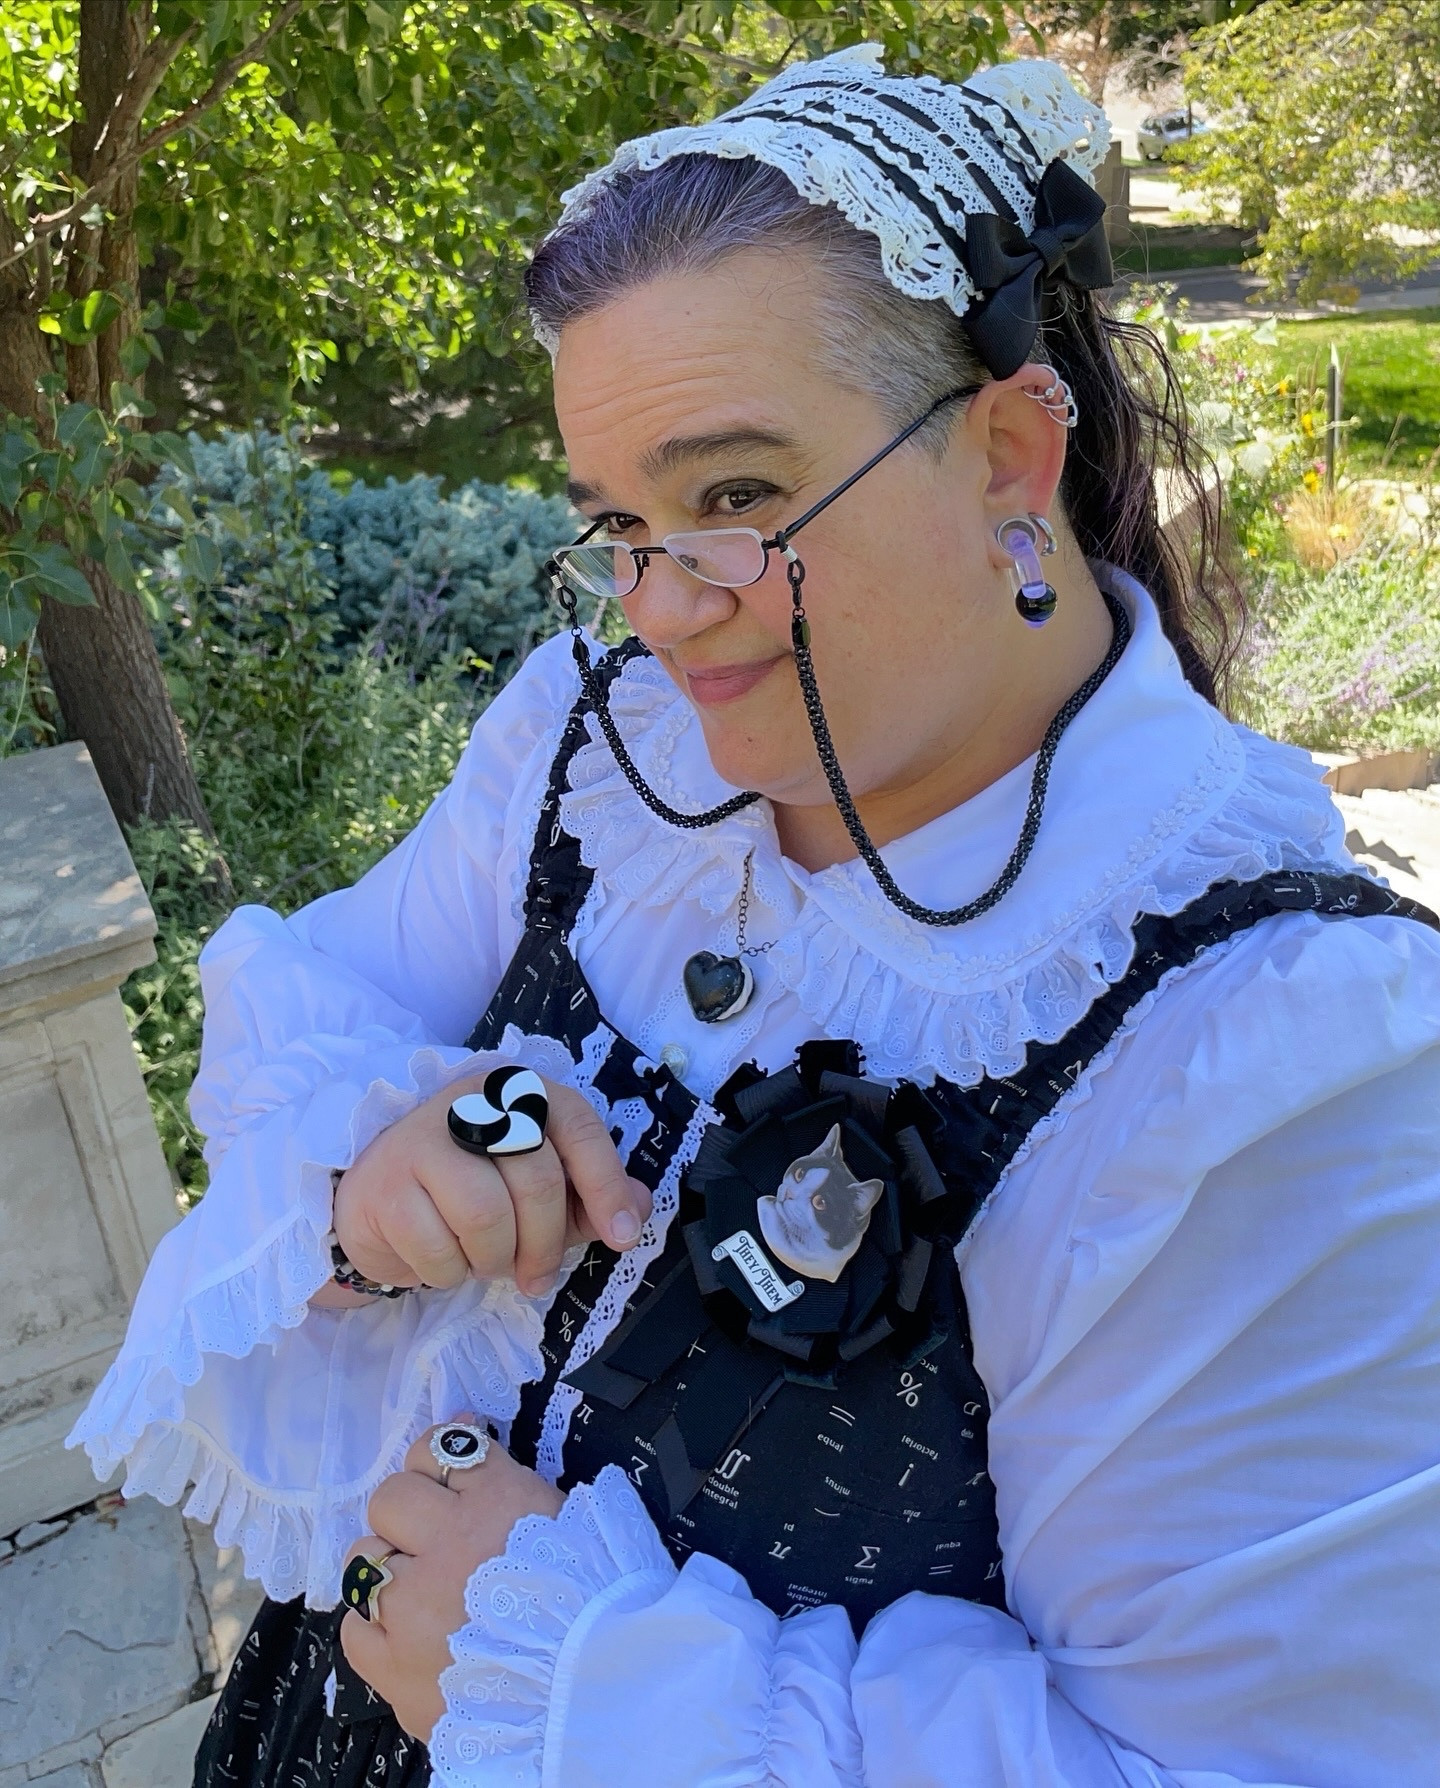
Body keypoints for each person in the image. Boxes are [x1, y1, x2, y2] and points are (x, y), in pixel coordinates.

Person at [70, 46, 1440, 1788]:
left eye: (733, 500)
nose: (659, 609)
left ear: (1011, 450)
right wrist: (373, 1179)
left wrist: (561, 1667)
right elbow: (323, 1004)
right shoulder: (596, 747)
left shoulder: (1275, 1057)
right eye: (616, 522)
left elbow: (1239, 1762)